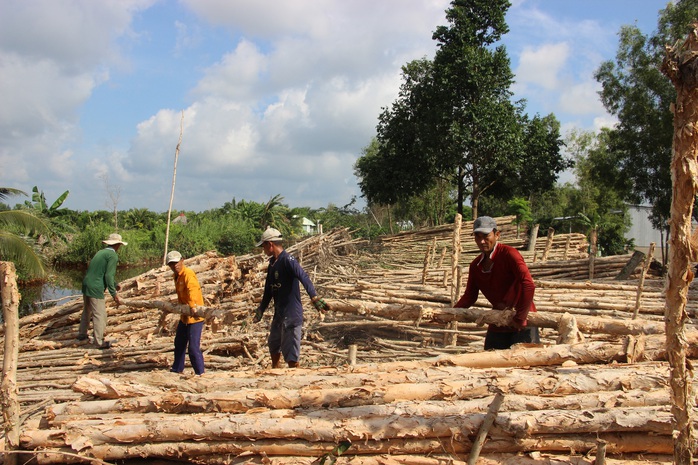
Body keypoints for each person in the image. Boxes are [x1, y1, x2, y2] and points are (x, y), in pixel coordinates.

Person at [454, 216, 540, 350]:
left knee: (524, 365)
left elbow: (528, 285)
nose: (482, 241)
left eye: (486, 236)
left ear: (497, 235)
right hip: (498, 320)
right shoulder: (475, 266)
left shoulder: (510, 254)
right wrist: (451, 312)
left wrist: (520, 317)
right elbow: (470, 296)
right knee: (491, 364)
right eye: (477, 237)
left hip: (522, 321)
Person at [252, 228, 330, 368]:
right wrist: (261, 310)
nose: (263, 249)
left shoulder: (288, 260)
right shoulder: (272, 264)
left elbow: (303, 276)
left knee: (291, 353)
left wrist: (314, 297)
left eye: (263, 246)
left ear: (270, 244)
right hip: (280, 313)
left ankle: (294, 377)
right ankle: (275, 371)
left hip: (292, 313)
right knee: (274, 343)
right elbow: (268, 290)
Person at [78, 232, 127, 349]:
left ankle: (82, 334)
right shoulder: (112, 256)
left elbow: (100, 272)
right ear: (118, 245)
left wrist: (114, 285)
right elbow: (108, 276)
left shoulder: (101, 252)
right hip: (95, 287)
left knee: (87, 310)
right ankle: (99, 342)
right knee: (100, 315)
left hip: (86, 283)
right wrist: (114, 294)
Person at [166, 250, 205, 375]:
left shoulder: (188, 274)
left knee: (193, 347)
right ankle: (177, 369)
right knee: (179, 342)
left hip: (195, 316)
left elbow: (192, 289)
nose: (174, 266)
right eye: (171, 264)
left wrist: (193, 306)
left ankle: (200, 373)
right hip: (184, 315)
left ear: (182, 261)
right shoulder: (176, 276)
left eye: (176, 263)